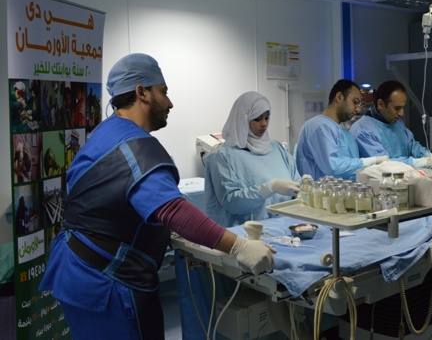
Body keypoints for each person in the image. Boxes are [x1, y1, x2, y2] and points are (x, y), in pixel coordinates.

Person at [39, 53, 277, 339]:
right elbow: (173, 210)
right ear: (142, 92)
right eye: (163, 91)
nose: (170, 102)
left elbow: (105, 201)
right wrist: (239, 247)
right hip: (106, 280)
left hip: (75, 268)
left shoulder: (105, 133)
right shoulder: (137, 147)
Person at [205, 91, 302, 227]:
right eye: (257, 119)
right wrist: (267, 188)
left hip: (286, 226)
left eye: (267, 118)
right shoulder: (222, 156)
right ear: (242, 119)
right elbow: (231, 202)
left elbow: (294, 180)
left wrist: (303, 186)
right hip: (247, 232)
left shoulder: (276, 148)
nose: (264, 124)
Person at [296, 79, 387, 181]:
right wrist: (371, 161)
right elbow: (333, 167)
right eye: (355, 102)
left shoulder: (343, 131)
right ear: (339, 97)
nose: (358, 109)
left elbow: (350, 170)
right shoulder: (319, 126)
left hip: (345, 189)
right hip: (322, 190)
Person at [350, 80, 432, 169]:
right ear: (381, 104)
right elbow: (385, 165)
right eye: (397, 108)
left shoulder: (396, 122)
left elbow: (412, 146)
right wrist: (422, 162)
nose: (401, 113)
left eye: (403, 108)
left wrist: (428, 155)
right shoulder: (362, 131)